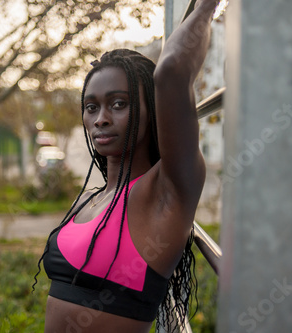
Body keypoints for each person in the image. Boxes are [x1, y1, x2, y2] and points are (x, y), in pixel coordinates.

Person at [34, 0, 219, 331]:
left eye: (118, 104)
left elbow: (173, 69)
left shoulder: (165, 192)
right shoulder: (90, 199)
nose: (101, 119)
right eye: (91, 107)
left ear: (153, 111)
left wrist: (207, 5)